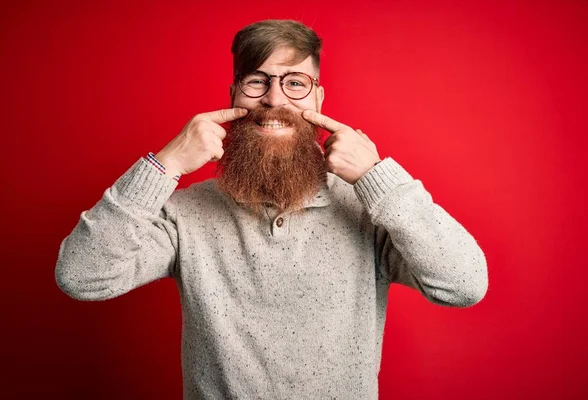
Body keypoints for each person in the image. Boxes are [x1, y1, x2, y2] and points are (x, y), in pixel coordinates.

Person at [55, 19, 488, 400]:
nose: (276, 99)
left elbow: (464, 284)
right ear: (234, 95)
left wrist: (377, 176)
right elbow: (82, 277)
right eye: (257, 81)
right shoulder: (185, 214)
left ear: (318, 98)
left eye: (295, 82)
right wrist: (163, 164)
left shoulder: (369, 210)